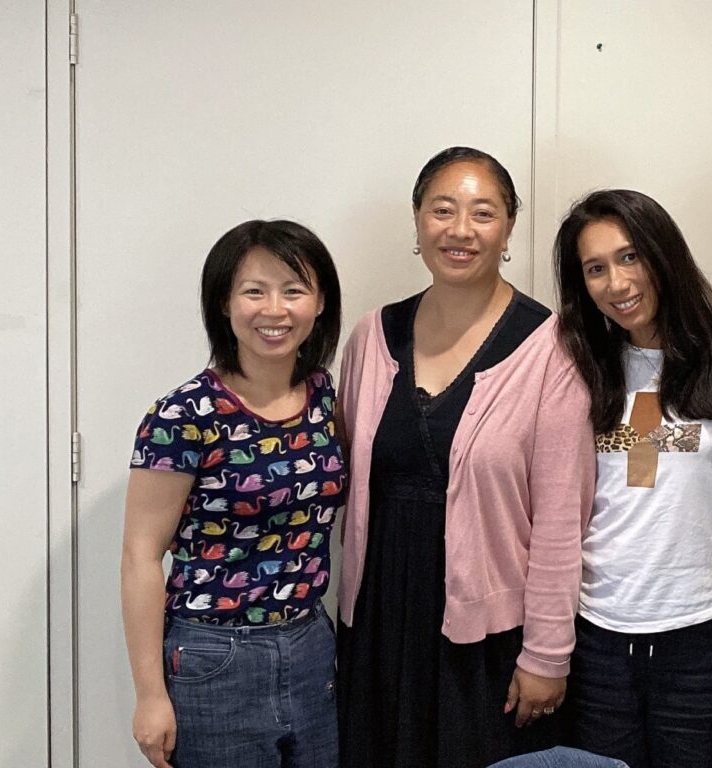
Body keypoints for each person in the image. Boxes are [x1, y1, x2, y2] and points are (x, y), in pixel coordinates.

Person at [334, 146, 594, 768]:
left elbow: (562, 522)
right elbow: (343, 475)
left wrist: (547, 653)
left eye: (483, 213)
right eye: (442, 209)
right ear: (418, 221)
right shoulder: (373, 335)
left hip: (486, 636)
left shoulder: (551, 347)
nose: (460, 230)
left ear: (508, 229)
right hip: (378, 618)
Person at [121, 219, 345, 768]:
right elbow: (141, 556)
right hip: (214, 656)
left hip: (311, 644)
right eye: (254, 291)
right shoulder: (182, 414)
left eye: (294, 290)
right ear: (224, 303)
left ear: (319, 304)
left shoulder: (323, 397)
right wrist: (150, 696)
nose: (275, 310)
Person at [553, 189, 712, 768]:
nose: (616, 283)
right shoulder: (574, 367)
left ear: (663, 256)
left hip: (704, 634)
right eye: (595, 269)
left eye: (629, 257)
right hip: (598, 634)